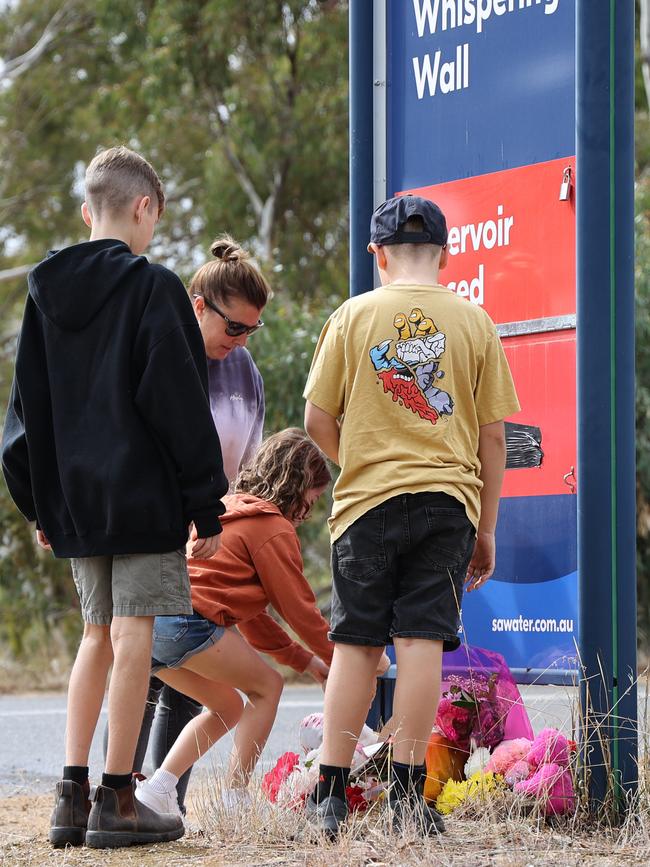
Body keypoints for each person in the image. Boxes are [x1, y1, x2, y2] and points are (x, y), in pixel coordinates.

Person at [1, 146, 229, 849]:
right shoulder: (153, 287)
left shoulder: (43, 288)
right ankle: (118, 799)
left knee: (94, 637)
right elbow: (179, 404)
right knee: (133, 635)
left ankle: (70, 797)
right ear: (144, 208)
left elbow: (24, 413)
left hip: (75, 502)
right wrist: (206, 503)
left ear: (84, 211)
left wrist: (39, 503)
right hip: (143, 499)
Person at [302, 194, 520, 837]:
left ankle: (331, 793)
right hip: (448, 503)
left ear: (378, 255)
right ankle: (407, 796)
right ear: (446, 254)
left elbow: (316, 421)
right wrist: (486, 529)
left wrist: (359, 462)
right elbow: (494, 439)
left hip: (367, 504)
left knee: (357, 644)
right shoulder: (475, 322)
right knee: (423, 641)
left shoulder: (352, 316)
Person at [119, 235, 271, 813]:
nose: (240, 343)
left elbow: (250, 465)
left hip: (210, 540)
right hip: (155, 530)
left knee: (183, 684)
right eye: (234, 328)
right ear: (198, 304)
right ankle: (118, 795)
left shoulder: (245, 371)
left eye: (251, 332)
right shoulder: (165, 353)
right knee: (138, 666)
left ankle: (163, 803)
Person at [132, 429, 335, 816]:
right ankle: (236, 798)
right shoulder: (272, 528)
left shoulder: (227, 509)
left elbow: (254, 621)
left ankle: (159, 789)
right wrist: (340, 657)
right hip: (188, 623)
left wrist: (307, 662)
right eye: (315, 496)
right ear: (299, 485)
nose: (312, 507)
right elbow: (299, 609)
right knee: (268, 687)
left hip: (153, 628)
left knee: (227, 706)